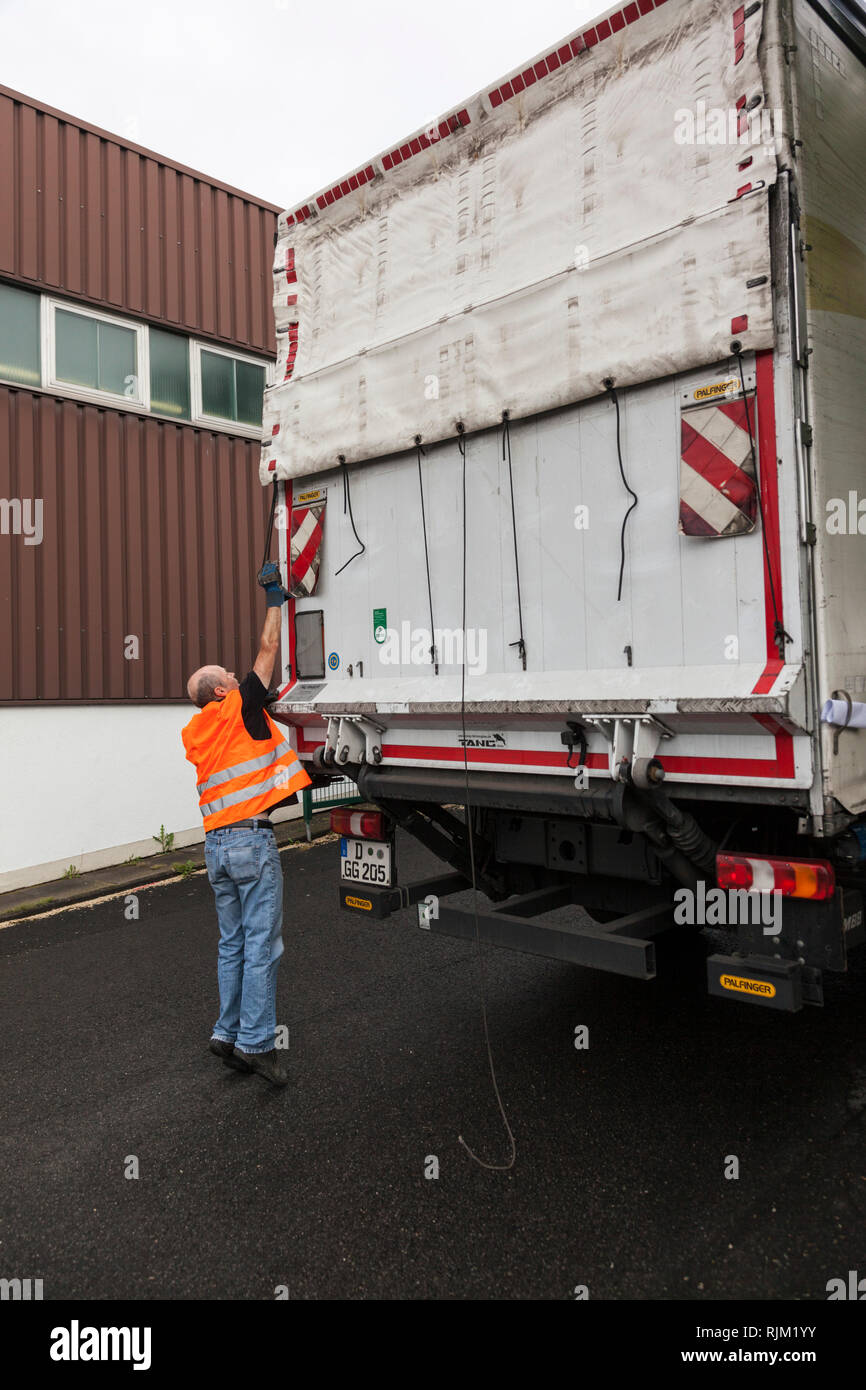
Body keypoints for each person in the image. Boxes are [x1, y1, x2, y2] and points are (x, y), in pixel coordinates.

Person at [182, 562, 311, 1086]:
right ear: (220, 692)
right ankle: (257, 1043)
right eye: (229, 678)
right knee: (263, 944)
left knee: (232, 943)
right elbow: (266, 652)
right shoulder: (237, 705)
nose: (238, 678)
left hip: (215, 848)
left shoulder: (196, 731)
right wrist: (275, 600)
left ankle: (227, 1033)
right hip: (251, 844)